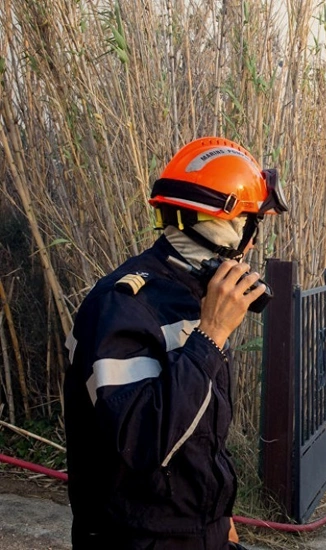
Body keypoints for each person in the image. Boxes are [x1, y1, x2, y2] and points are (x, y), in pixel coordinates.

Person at [63, 137, 287, 549]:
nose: (252, 244)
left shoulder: (193, 296)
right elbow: (142, 445)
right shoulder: (121, 306)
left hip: (202, 533)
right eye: (249, 226)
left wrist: (221, 518)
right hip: (140, 539)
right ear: (222, 227)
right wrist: (211, 336)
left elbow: (199, 435)